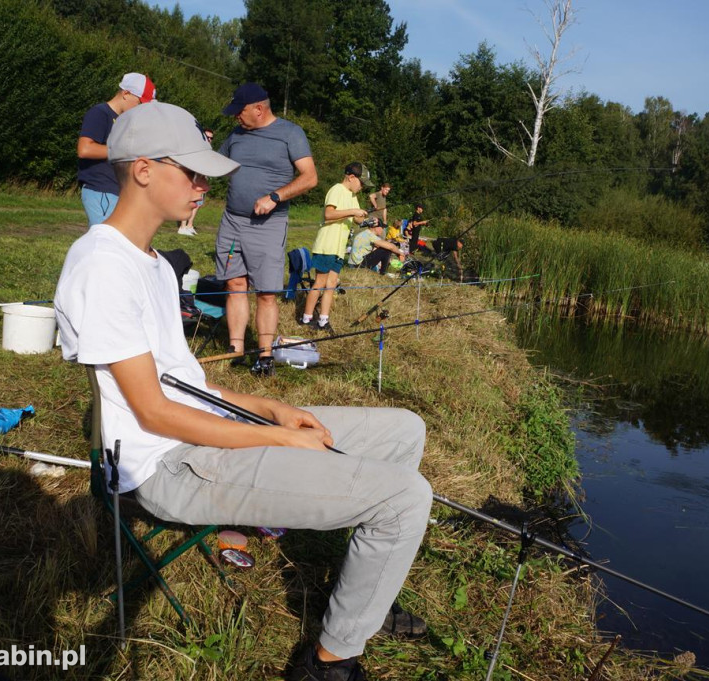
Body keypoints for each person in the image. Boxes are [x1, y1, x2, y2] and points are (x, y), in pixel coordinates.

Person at [54, 101, 430, 681]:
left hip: (196, 429)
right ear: (145, 170)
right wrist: (277, 438)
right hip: (168, 467)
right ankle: (329, 662)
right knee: (406, 498)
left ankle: (368, 591)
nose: (204, 186)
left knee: (405, 429)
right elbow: (154, 413)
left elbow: (188, 383)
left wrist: (266, 406)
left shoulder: (151, 262)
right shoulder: (102, 265)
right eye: (194, 173)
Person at [215, 83, 318, 377]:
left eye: (240, 111)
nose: (236, 117)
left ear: (259, 109)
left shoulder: (290, 133)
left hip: (268, 226)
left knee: (266, 292)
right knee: (234, 284)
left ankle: (264, 356)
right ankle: (235, 350)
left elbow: (310, 177)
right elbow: (217, 164)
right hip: (232, 221)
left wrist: (275, 197)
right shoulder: (236, 135)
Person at [76, 72, 156, 227]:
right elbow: (84, 149)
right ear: (126, 93)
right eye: (140, 103)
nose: (141, 109)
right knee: (106, 241)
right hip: (101, 189)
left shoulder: (124, 120)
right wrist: (123, 150)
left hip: (116, 191)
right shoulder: (100, 113)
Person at [301, 162, 372, 333]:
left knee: (331, 284)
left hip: (339, 248)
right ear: (351, 177)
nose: (362, 187)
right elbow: (328, 215)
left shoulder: (352, 196)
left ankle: (323, 321)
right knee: (320, 282)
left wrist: (363, 217)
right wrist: (352, 211)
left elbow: (356, 219)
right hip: (327, 245)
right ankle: (307, 318)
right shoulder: (336, 190)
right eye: (361, 183)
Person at [178, 126, 215, 236]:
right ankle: (182, 227)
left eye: (211, 138)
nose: (209, 139)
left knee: (198, 204)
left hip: (202, 179)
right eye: (207, 137)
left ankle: (190, 226)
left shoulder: (209, 150)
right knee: (188, 203)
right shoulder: (195, 147)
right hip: (193, 180)